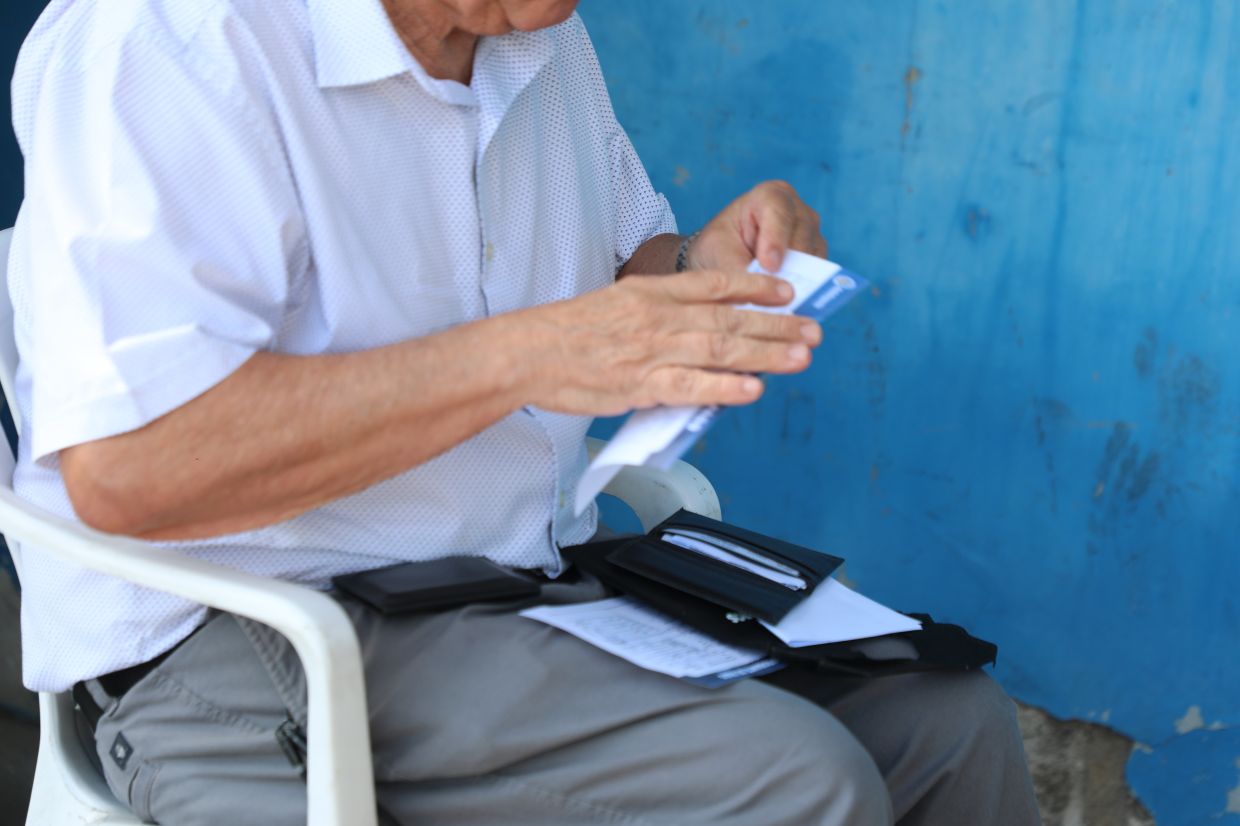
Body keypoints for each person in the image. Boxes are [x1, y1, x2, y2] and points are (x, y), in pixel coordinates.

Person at [8, 0, 1041, 823]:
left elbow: (614, 279)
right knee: (790, 784)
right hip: (259, 627)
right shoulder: (167, 42)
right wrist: (526, 356)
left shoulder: (535, 38)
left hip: (510, 588)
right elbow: (131, 470)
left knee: (950, 724)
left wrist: (698, 269)